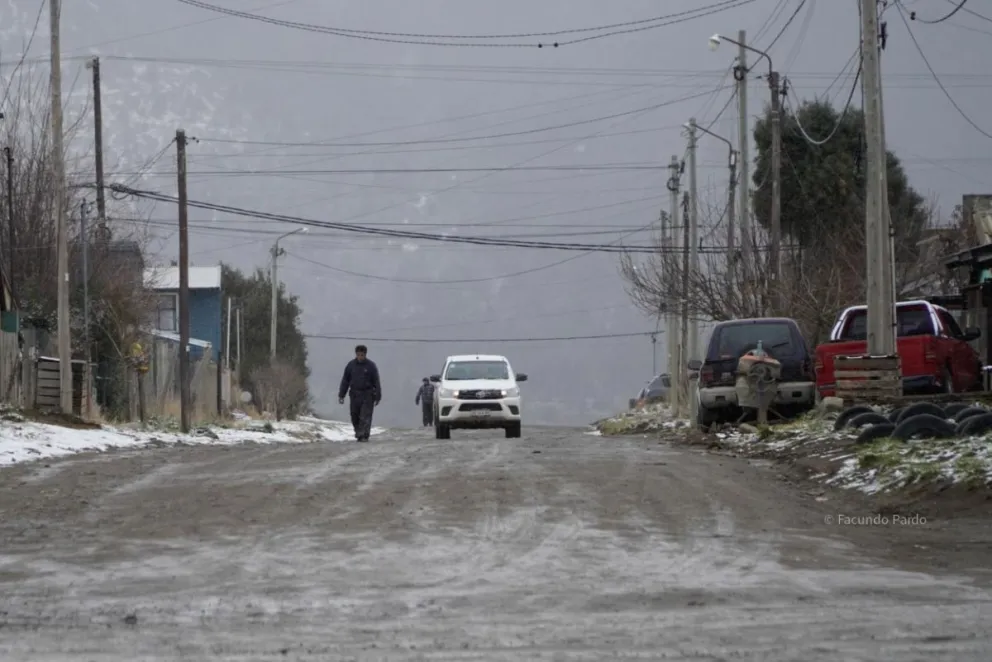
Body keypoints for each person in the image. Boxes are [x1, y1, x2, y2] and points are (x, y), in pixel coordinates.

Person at [337, 344, 381, 441]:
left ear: (365, 355)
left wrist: (378, 396)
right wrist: (341, 394)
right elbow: (345, 380)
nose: (360, 357)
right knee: (354, 415)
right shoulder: (351, 366)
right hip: (355, 394)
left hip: (367, 394)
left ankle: (364, 434)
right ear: (356, 354)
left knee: (365, 415)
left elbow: (376, 381)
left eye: (362, 355)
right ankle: (358, 432)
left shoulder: (371, 366)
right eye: (358, 355)